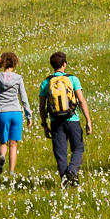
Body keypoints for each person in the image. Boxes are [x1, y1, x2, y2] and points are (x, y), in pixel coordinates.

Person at [38, 51, 94, 185]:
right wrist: (88, 121)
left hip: (56, 122)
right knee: (78, 148)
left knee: (60, 153)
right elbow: (82, 101)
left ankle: (66, 183)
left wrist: (45, 125)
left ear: (52, 65)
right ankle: (72, 172)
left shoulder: (46, 82)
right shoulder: (72, 79)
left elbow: (42, 107)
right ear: (64, 64)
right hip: (72, 120)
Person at [0, 51, 30, 175]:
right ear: (15, 63)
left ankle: (2, 156)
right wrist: (28, 115)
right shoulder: (18, 78)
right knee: (13, 143)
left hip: (3, 112)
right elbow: (23, 97)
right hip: (16, 112)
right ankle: (11, 171)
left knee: (3, 142)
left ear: (3, 63)